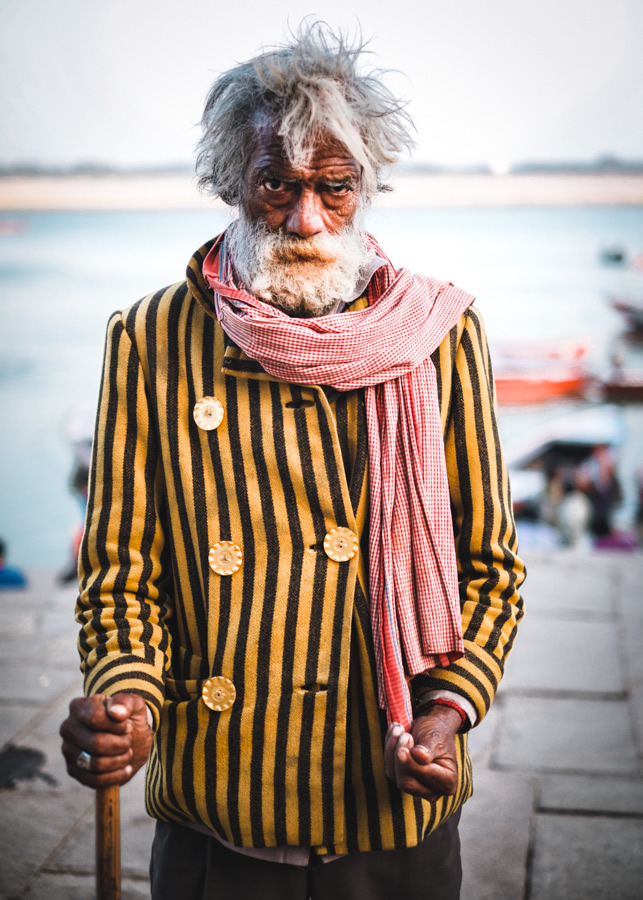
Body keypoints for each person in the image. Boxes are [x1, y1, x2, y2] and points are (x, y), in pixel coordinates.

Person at [60, 23, 525, 900]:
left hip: (389, 806)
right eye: (276, 185)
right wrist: (129, 704)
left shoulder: (441, 336)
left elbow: (491, 569)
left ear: (365, 188)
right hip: (218, 808)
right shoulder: (152, 338)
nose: (306, 219)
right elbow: (121, 573)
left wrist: (444, 711)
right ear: (232, 182)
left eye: (333, 189)